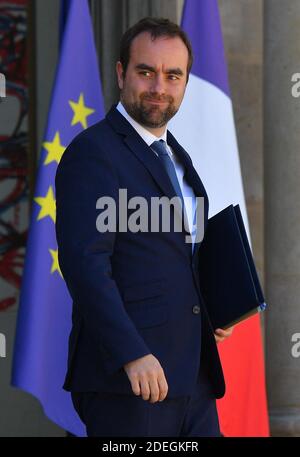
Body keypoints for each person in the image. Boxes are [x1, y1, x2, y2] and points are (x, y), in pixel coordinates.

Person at [55, 17, 234, 437]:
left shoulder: (177, 157)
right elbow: (85, 265)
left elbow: (177, 258)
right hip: (131, 383)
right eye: (146, 71)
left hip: (194, 378)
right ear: (121, 73)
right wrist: (131, 353)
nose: (160, 86)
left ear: (185, 83)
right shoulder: (93, 153)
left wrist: (212, 308)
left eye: (173, 75)